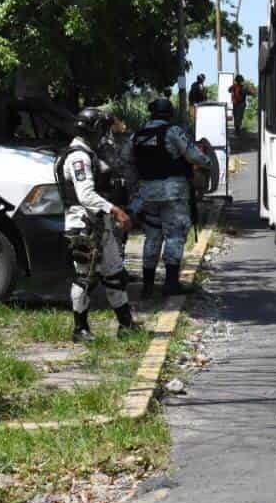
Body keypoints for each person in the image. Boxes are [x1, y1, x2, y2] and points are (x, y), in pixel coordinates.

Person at [119, 97, 211, 297]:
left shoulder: (136, 136)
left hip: (147, 195)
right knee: (175, 236)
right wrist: (206, 160)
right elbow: (195, 157)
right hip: (173, 195)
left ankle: (148, 286)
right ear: (169, 114)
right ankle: (170, 284)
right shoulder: (173, 132)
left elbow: (125, 161)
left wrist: (135, 187)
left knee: (152, 237)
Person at [57, 107, 134, 343]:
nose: (105, 134)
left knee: (115, 274)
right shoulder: (79, 157)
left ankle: (127, 326)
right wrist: (115, 209)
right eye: (103, 129)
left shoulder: (88, 152)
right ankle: (80, 329)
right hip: (85, 225)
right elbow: (86, 195)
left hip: (99, 224)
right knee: (84, 276)